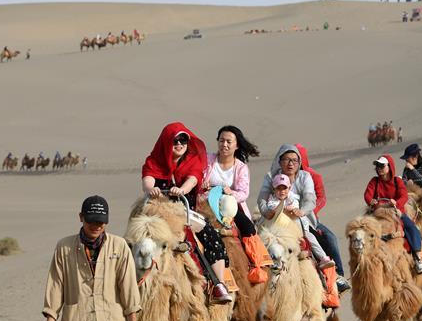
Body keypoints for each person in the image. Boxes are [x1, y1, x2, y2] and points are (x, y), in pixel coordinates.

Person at [142, 122, 233, 303]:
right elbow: (148, 180)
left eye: (183, 140)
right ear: (166, 142)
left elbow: (193, 179)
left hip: (185, 214)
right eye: (175, 140)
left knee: (212, 238)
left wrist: (182, 189)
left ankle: (218, 284)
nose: (180, 144)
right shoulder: (154, 162)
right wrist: (151, 189)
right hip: (157, 215)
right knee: (136, 241)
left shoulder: (192, 161)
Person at [200, 125, 272, 284]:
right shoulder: (207, 159)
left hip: (230, 206)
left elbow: (243, 193)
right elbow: (197, 178)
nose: (224, 144)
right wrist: (201, 185)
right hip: (206, 202)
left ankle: (257, 263)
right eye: (221, 140)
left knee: (247, 227)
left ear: (236, 145)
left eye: (228, 141)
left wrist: (230, 192)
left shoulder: (241, 167)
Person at [295, 143, 350, 293]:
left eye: (296, 159)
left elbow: (321, 198)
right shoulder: (281, 176)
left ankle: (338, 275)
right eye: (289, 158)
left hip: (310, 219)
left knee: (330, 237)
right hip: (286, 218)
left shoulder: (313, 176)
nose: (292, 162)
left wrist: (308, 211)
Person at [364, 155, 422, 274]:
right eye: (377, 166)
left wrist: (396, 203)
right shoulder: (374, 181)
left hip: (395, 211)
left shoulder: (397, 181)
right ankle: (362, 261)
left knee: (412, 228)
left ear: (389, 166)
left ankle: (418, 258)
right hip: (378, 212)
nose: (379, 168)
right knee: (362, 230)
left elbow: (404, 195)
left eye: (382, 165)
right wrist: (370, 201)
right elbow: (367, 194)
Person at [262, 174, 335, 271]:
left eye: (284, 188)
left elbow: (295, 206)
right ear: (274, 189)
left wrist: (292, 209)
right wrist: (282, 208)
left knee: (311, 237)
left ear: (289, 188)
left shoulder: (293, 197)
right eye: (278, 189)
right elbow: (273, 208)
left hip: (297, 227)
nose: (282, 191)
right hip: (280, 229)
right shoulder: (272, 200)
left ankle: (323, 258)